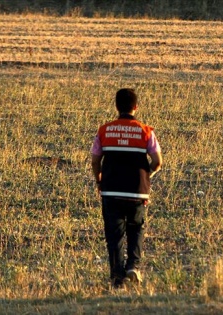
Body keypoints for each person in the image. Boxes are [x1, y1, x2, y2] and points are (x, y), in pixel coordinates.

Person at [91, 88, 163, 289]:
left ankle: (117, 279)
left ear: (116, 106)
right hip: (137, 191)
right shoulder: (146, 131)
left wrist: (99, 180)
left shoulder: (104, 130)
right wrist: (146, 176)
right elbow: (157, 161)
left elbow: (95, 160)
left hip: (111, 190)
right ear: (136, 107)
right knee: (136, 229)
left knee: (114, 236)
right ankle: (133, 265)